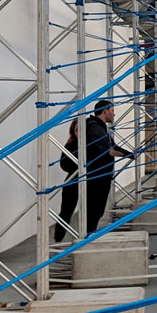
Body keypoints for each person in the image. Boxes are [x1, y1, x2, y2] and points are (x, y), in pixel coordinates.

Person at [82, 100, 132, 234]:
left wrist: (131, 155)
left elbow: (113, 147)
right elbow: (94, 145)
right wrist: (107, 151)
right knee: (94, 209)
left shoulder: (102, 127)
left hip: (103, 176)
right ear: (105, 111)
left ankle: (90, 233)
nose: (114, 114)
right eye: (112, 111)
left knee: (98, 210)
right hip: (95, 176)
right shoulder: (92, 126)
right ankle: (87, 235)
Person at [54, 118, 81, 243]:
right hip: (72, 181)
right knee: (66, 212)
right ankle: (58, 238)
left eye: (81, 129)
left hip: (90, 181)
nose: (78, 132)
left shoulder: (92, 143)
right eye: (76, 130)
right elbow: (64, 164)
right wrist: (78, 165)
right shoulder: (70, 145)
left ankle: (88, 236)